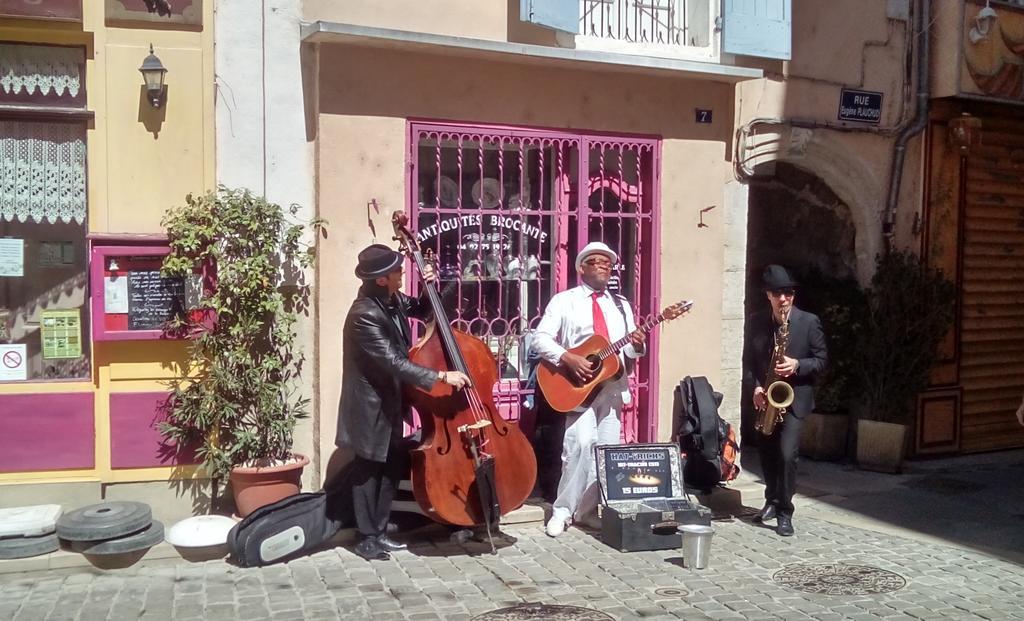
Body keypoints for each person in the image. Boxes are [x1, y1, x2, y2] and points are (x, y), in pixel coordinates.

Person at [337, 243, 470, 561]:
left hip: (391, 403)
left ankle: (380, 532)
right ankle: (366, 537)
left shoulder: (391, 299)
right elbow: (393, 362)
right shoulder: (363, 316)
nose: (402, 273)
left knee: (390, 468)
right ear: (382, 278)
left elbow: (426, 311)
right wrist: (440, 377)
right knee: (368, 472)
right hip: (369, 407)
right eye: (398, 270)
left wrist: (434, 283)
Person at [531, 241, 648, 537]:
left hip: (611, 388)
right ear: (581, 268)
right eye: (596, 261)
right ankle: (562, 510)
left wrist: (637, 345)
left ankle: (586, 511)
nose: (603, 265)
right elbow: (539, 339)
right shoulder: (564, 300)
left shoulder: (620, 305)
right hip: (578, 386)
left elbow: (629, 354)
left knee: (604, 452)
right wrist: (568, 357)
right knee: (579, 446)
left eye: (608, 262)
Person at [742, 264, 828, 537]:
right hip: (767, 398)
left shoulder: (808, 322)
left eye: (788, 293)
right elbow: (748, 363)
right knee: (767, 454)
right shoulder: (756, 322)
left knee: (787, 453)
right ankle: (771, 498)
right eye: (778, 294)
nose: (784, 299)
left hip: (795, 398)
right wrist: (755, 388)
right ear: (768, 295)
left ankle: (785, 511)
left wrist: (797, 364)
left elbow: (822, 361)